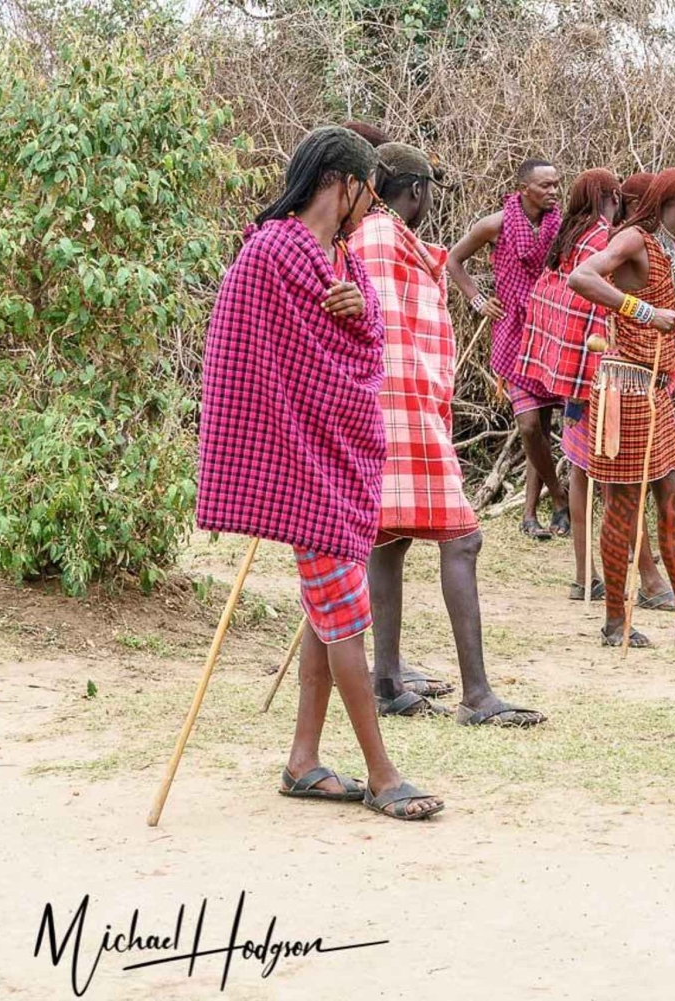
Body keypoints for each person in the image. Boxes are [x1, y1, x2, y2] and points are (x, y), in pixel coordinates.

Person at [196, 126, 442, 820]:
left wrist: (360, 312)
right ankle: (383, 775)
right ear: (345, 183)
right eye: (370, 194)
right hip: (301, 462)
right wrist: (289, 433)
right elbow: (244, 354)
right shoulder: (272, 250)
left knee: (326, 611)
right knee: (346, 617)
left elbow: (364, 346)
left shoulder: (339, 257)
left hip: (336, 455)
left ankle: (303, 761)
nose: (373, 209)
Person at [347, 141, 545, 728]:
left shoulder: (379, 236)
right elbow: (386, 335)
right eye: (430, 191)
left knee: (388, 540)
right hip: (398, 408)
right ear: (415, 190)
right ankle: (476, 696)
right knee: (462, 539)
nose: (431, 200)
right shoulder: (380, 239)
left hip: (391, 408)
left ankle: (387, 680)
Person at [568, 168, 675, 649]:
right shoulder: (635, 239)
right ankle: (614, 622)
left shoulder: (666, 247)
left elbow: (661, 319)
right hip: (626, 390)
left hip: (654, 392)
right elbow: (582, 277)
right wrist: (642, 311)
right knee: (623, 508)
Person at [520, 168, 675, 609]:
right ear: (612, 197)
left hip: (573, 376)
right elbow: (594, 309)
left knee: (582, 471)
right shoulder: (603, 241)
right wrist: (645, 315)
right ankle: (648, 580)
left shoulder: (569, 237)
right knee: (621, 482)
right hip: (602, 377)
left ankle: (584, 577)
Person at [448, 158, 568, 541]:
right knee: (529, 426)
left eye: (556, 184)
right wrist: (477, 300)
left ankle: (530, 515)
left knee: (543, 425)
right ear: (523, 189)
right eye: (545, 185)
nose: (553, 191)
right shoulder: (495, 225)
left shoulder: (560, 226)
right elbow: (453, 260)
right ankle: (560, 496)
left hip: (548, 329)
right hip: (512, 331)